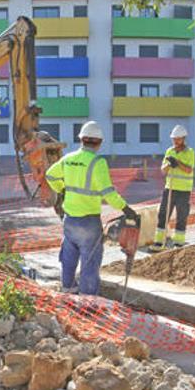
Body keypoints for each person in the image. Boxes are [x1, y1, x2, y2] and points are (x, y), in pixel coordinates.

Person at [45, 121, 138, 295]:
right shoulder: (97, 162)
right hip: (89, 222)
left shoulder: (68, 159)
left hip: (70, 219)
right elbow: (108, 193)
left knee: (68, 257)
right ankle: (87, 302)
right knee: (90, 262)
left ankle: (68, 292)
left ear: (81, 139)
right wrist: (126, 209)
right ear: (99, 142)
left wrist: (61, 189)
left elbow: (50, 174)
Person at [151, 125, 195, 250]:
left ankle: (179, 243)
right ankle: (159, 242)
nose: (176, 141)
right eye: (174, 139)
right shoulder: (169, 151)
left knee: (181, 216)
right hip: (169, 188)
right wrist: (169, 164)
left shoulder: (190, 152)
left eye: (178, 139)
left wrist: (178, 163)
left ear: (183, 138)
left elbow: (188, 170)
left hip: (184, 190)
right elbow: (163, 170)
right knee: (163, 214)